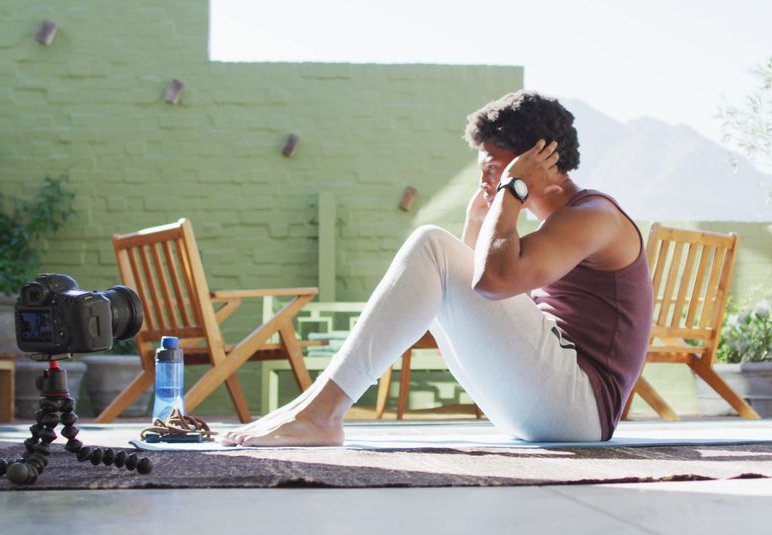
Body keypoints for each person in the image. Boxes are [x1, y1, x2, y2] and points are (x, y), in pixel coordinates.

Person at [222, 90, 652, 446]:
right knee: (437, 251)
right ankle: (310, 408)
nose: (486, 180)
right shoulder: (555, 225)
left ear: (535, 162)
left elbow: (493, 281)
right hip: (554, 406)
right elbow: (466, 298)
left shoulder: (592, 217)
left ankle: (321, 414)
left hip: (581, 408)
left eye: (493, 166)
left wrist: (510, 194)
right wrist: (480, 219)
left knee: (431, 242)